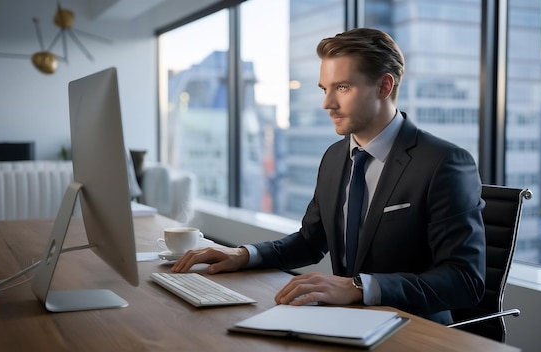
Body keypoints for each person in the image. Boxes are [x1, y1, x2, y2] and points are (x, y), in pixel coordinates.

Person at [172, 27, 486, 324]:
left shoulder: (443, 162)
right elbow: (309, 242)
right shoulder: (335, 157)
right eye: (325, 89)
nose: (327, 103)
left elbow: (464, 280)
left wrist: (360, 288)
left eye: (342, 87)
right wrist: (243, 254)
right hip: (342, 321)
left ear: (384, 86)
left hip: (411, 328)